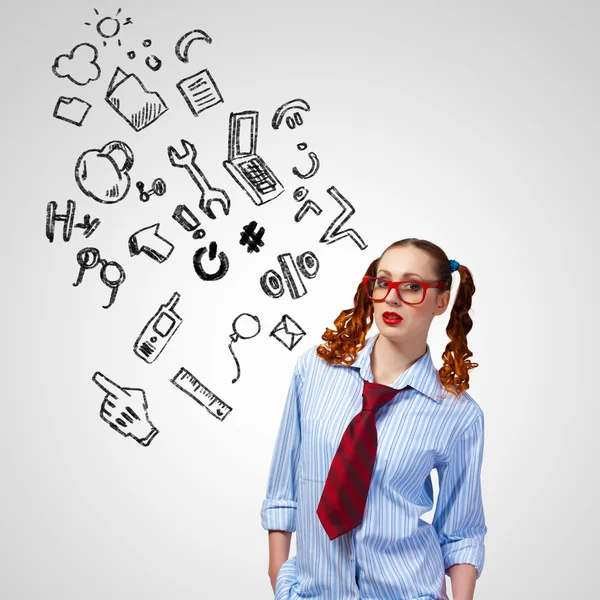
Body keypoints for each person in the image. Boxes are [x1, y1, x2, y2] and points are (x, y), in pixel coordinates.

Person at [261, 238, 487, 600]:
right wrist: (279, 577)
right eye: (383, 282)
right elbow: (282, 486)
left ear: (441, 300)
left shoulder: (458, 415)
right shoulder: (315, 371)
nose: (392, 298)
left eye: (412, 287)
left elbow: (462, 532)